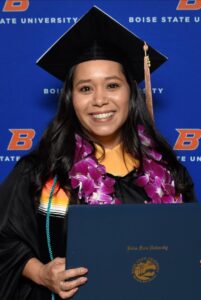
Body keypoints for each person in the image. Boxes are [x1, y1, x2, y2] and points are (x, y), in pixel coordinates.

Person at [0, 6, 196, 300]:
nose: (100, 100)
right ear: (71, 98)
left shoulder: (168, 171)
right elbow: (4, 241)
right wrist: (41, 273)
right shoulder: (41, 172)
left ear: (131, 93)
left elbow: (187, 243)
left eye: (113, 85)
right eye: (86, 88)